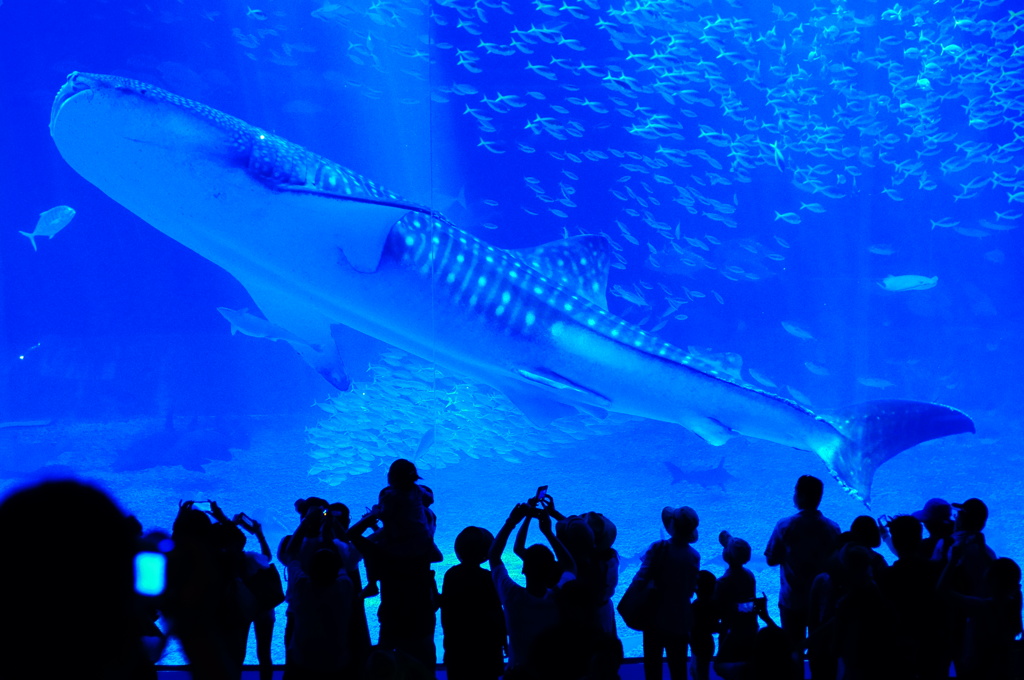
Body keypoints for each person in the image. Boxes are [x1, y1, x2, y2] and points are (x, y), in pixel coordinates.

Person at [489, 501, 576, 677]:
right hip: (553, 671)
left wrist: (512, 521)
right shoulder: (559, 597)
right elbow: (570, 567)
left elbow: (494, 556)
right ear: (552, 569)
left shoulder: (512, 597)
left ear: (523, 569)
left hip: (519, 673)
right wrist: (548, 532)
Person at [764, 475, 841, 660]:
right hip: (822, 602)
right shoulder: (833, 528)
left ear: (801, 496)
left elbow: (771, 560)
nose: (794, 496)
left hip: (792, 601)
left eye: (795, 492)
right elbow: (836, 566)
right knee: (821, 653)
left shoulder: (785, 525)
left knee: (792, 652)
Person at [634, 505, 701, 680]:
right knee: (678, 667)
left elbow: (640, 581)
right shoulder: (694, 556)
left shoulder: (658, 548)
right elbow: (691, 588)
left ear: (671, 526)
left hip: (654, 617)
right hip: (679, 617)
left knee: (652, 666)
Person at [362, 459, 442, 598]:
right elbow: (429, 496)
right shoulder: (417, 491)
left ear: (391, 477)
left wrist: (375, 512)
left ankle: (372, 583)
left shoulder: (390, 496)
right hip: (420, 539)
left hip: (401, 542)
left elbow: (387, 519)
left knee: (369, 547)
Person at [440, 526, 506, 680]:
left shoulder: (451, 575)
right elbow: (497, 612)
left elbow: (447, 613)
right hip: (486, 649)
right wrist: (503, 640)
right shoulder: (489, 578)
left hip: (458, 648)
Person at [285, 548, 354, 679]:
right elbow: (342, 566)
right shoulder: (345, 586)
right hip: (336, 661)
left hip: (303, 660)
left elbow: (291, 556)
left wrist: (304, 527)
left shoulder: (302, 585)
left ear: (310, 569)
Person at [714, 531, 758, 679]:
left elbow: (717, 611)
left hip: (730, 634)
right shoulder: (749, 576)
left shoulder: (723, 582)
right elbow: (748, 605)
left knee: (726, 668)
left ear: (726, 556)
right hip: (750, 630)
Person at [690, 570, 717, 680]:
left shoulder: (696, 605)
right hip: (707, 643)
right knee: (699, 671)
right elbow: (714, 626)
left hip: (698, 644)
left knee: (699, 672)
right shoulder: (713, 604)